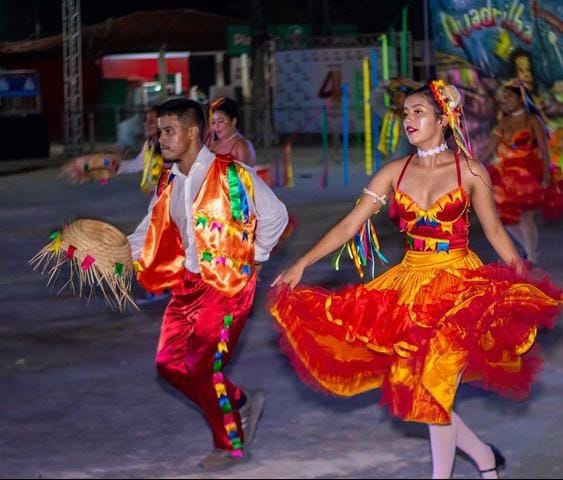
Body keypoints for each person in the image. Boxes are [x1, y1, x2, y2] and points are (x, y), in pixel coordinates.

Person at [269, 80, 561, 479]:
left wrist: (521, 279)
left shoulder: (470, 170)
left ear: (443, 119)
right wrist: (302, 262)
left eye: (418, 112)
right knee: (420, 388)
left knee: (434, 386)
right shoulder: (393, 171)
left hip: (459, 284)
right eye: (405, 113)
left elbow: (494, 232)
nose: (408, 119)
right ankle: (484, 458)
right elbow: (351, 225)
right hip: (408, 285)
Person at [128, 98, 289, 471]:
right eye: (159, 131)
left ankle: (229, 444)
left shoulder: (232, 173)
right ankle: (239, 401)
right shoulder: (169, 180)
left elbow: (275, 216)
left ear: (192, 132)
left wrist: (256, 258)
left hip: (228, 286)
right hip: (187, 287)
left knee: (201, 365)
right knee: (168, 365)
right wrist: (113, 252)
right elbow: (147, 231)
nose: (160, 139)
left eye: (168, 131)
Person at [481, 79, 562, 263]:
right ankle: (529, 249)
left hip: (529, 173)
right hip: (507, 176)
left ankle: (531, 256)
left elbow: (543, 148)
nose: (505, 100)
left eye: (509, 96)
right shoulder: (504, 123)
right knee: (498, 215)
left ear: (520, 98)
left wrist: (547, 174)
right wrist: (472, 163)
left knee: (527, 216)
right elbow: (489, 148)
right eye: (504, 97)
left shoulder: (532, 119)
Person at [374, 77, 421, 161]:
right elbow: (374, 101)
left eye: (400, 96)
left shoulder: (416, 116)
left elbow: (430, 95)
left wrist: (412, 84)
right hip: (391, 163)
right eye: (395, 96)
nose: (396, 99)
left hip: (411, 163)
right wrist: (386, 83)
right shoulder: (389, 114)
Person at [209, 97, 256, 166]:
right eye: (213, 122)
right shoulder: (213, 145)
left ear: (234, 121)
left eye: (220, 121)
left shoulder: (242, 147)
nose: (216, 126)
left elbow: (245, 175)